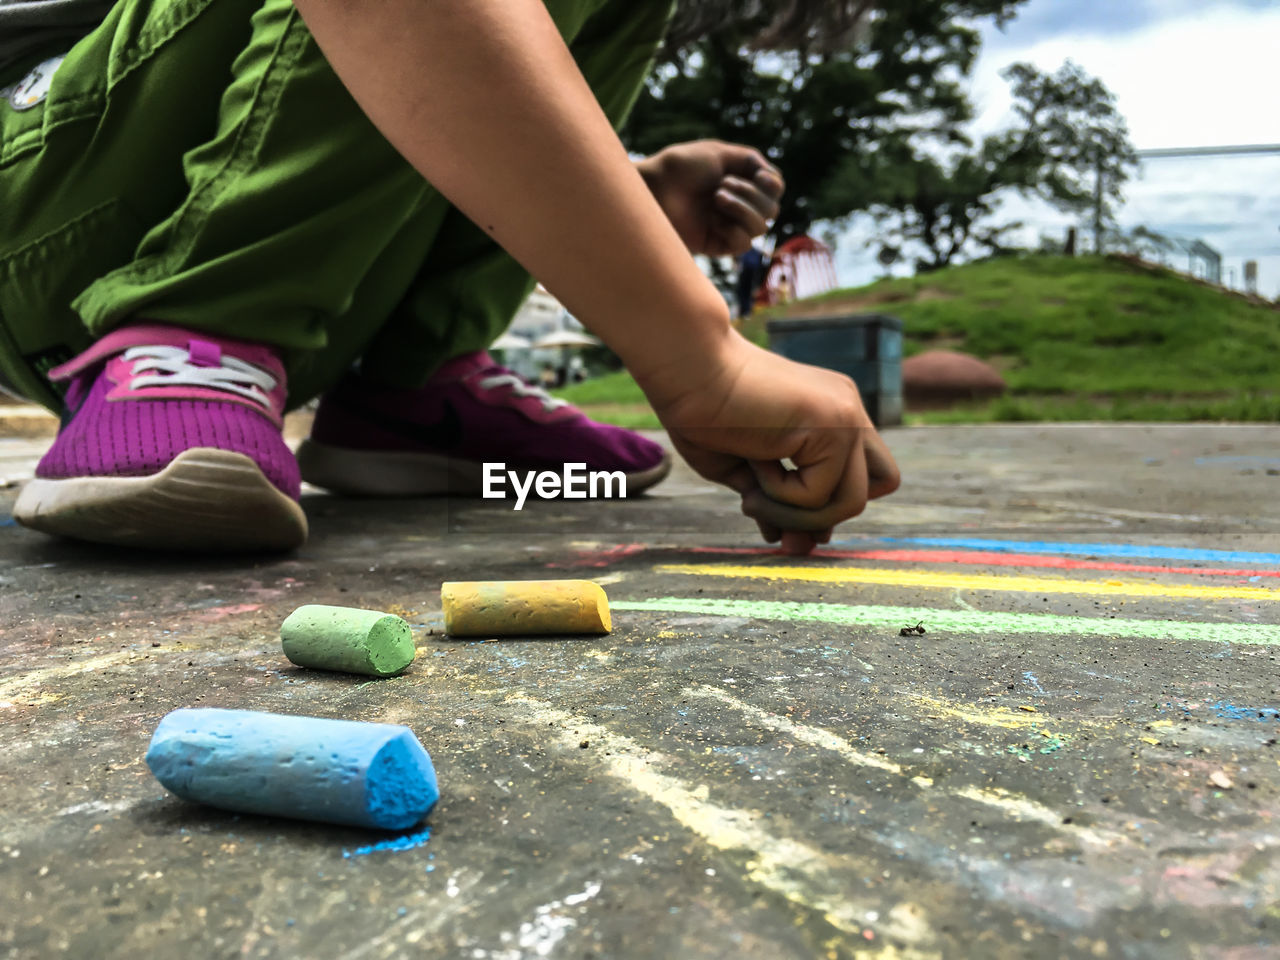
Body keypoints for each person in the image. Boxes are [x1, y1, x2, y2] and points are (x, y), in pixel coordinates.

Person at [0, 0, 899, 555]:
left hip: (235, 250)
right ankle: (194, 328)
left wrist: (638, 198)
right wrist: (707, 359)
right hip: (37, 200)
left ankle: (413, 384)